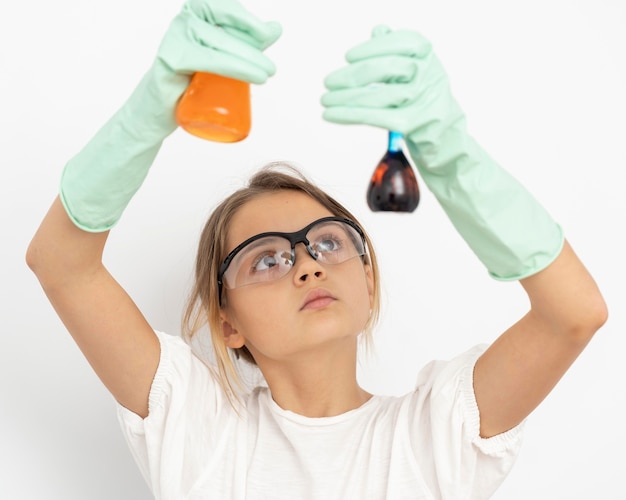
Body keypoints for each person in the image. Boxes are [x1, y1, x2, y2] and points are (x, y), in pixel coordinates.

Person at [26, 0, 607, 498]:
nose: (306, 264)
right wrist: (149, 113)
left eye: (328, 242)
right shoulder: (196, 425)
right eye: (267, 258)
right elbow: (62, 266)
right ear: (227, 323)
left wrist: (452, 155)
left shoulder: (438, 429)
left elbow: (574, 315)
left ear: (368, 281)